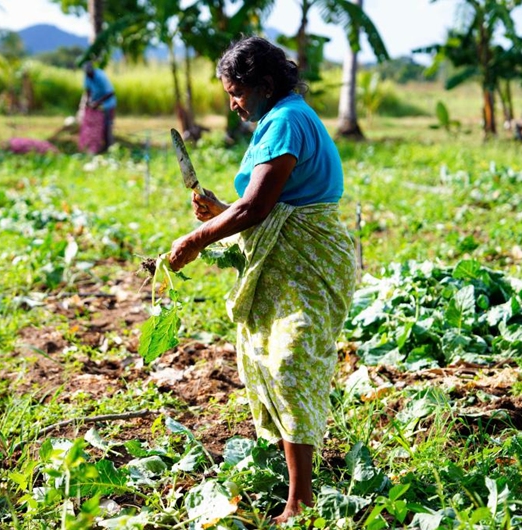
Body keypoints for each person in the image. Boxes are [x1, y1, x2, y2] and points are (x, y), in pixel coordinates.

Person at [167, 36, 357, 524]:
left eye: (237, 93)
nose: (233, 103)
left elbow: (258, 208)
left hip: (307, 260)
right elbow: (263, 205)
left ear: (265, 85)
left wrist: (199, 237)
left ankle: (301, 501)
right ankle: (292, 478)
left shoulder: (288, 120)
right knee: (274, 361)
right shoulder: (278, 119)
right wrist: (220, 212)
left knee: (291, 363)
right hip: (290, 258)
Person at [83, 61, 117, 151]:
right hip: (97, 105)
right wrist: (88, 101)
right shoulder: (87, 76)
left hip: (108, 104)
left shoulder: (100, 76)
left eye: (89, 74)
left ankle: (109, 147)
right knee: (96, 127)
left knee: (107, 126)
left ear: (92, 71)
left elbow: (111, 92)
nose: (88, 76)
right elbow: (88, 90)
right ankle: (98, 146)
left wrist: (98, 102)